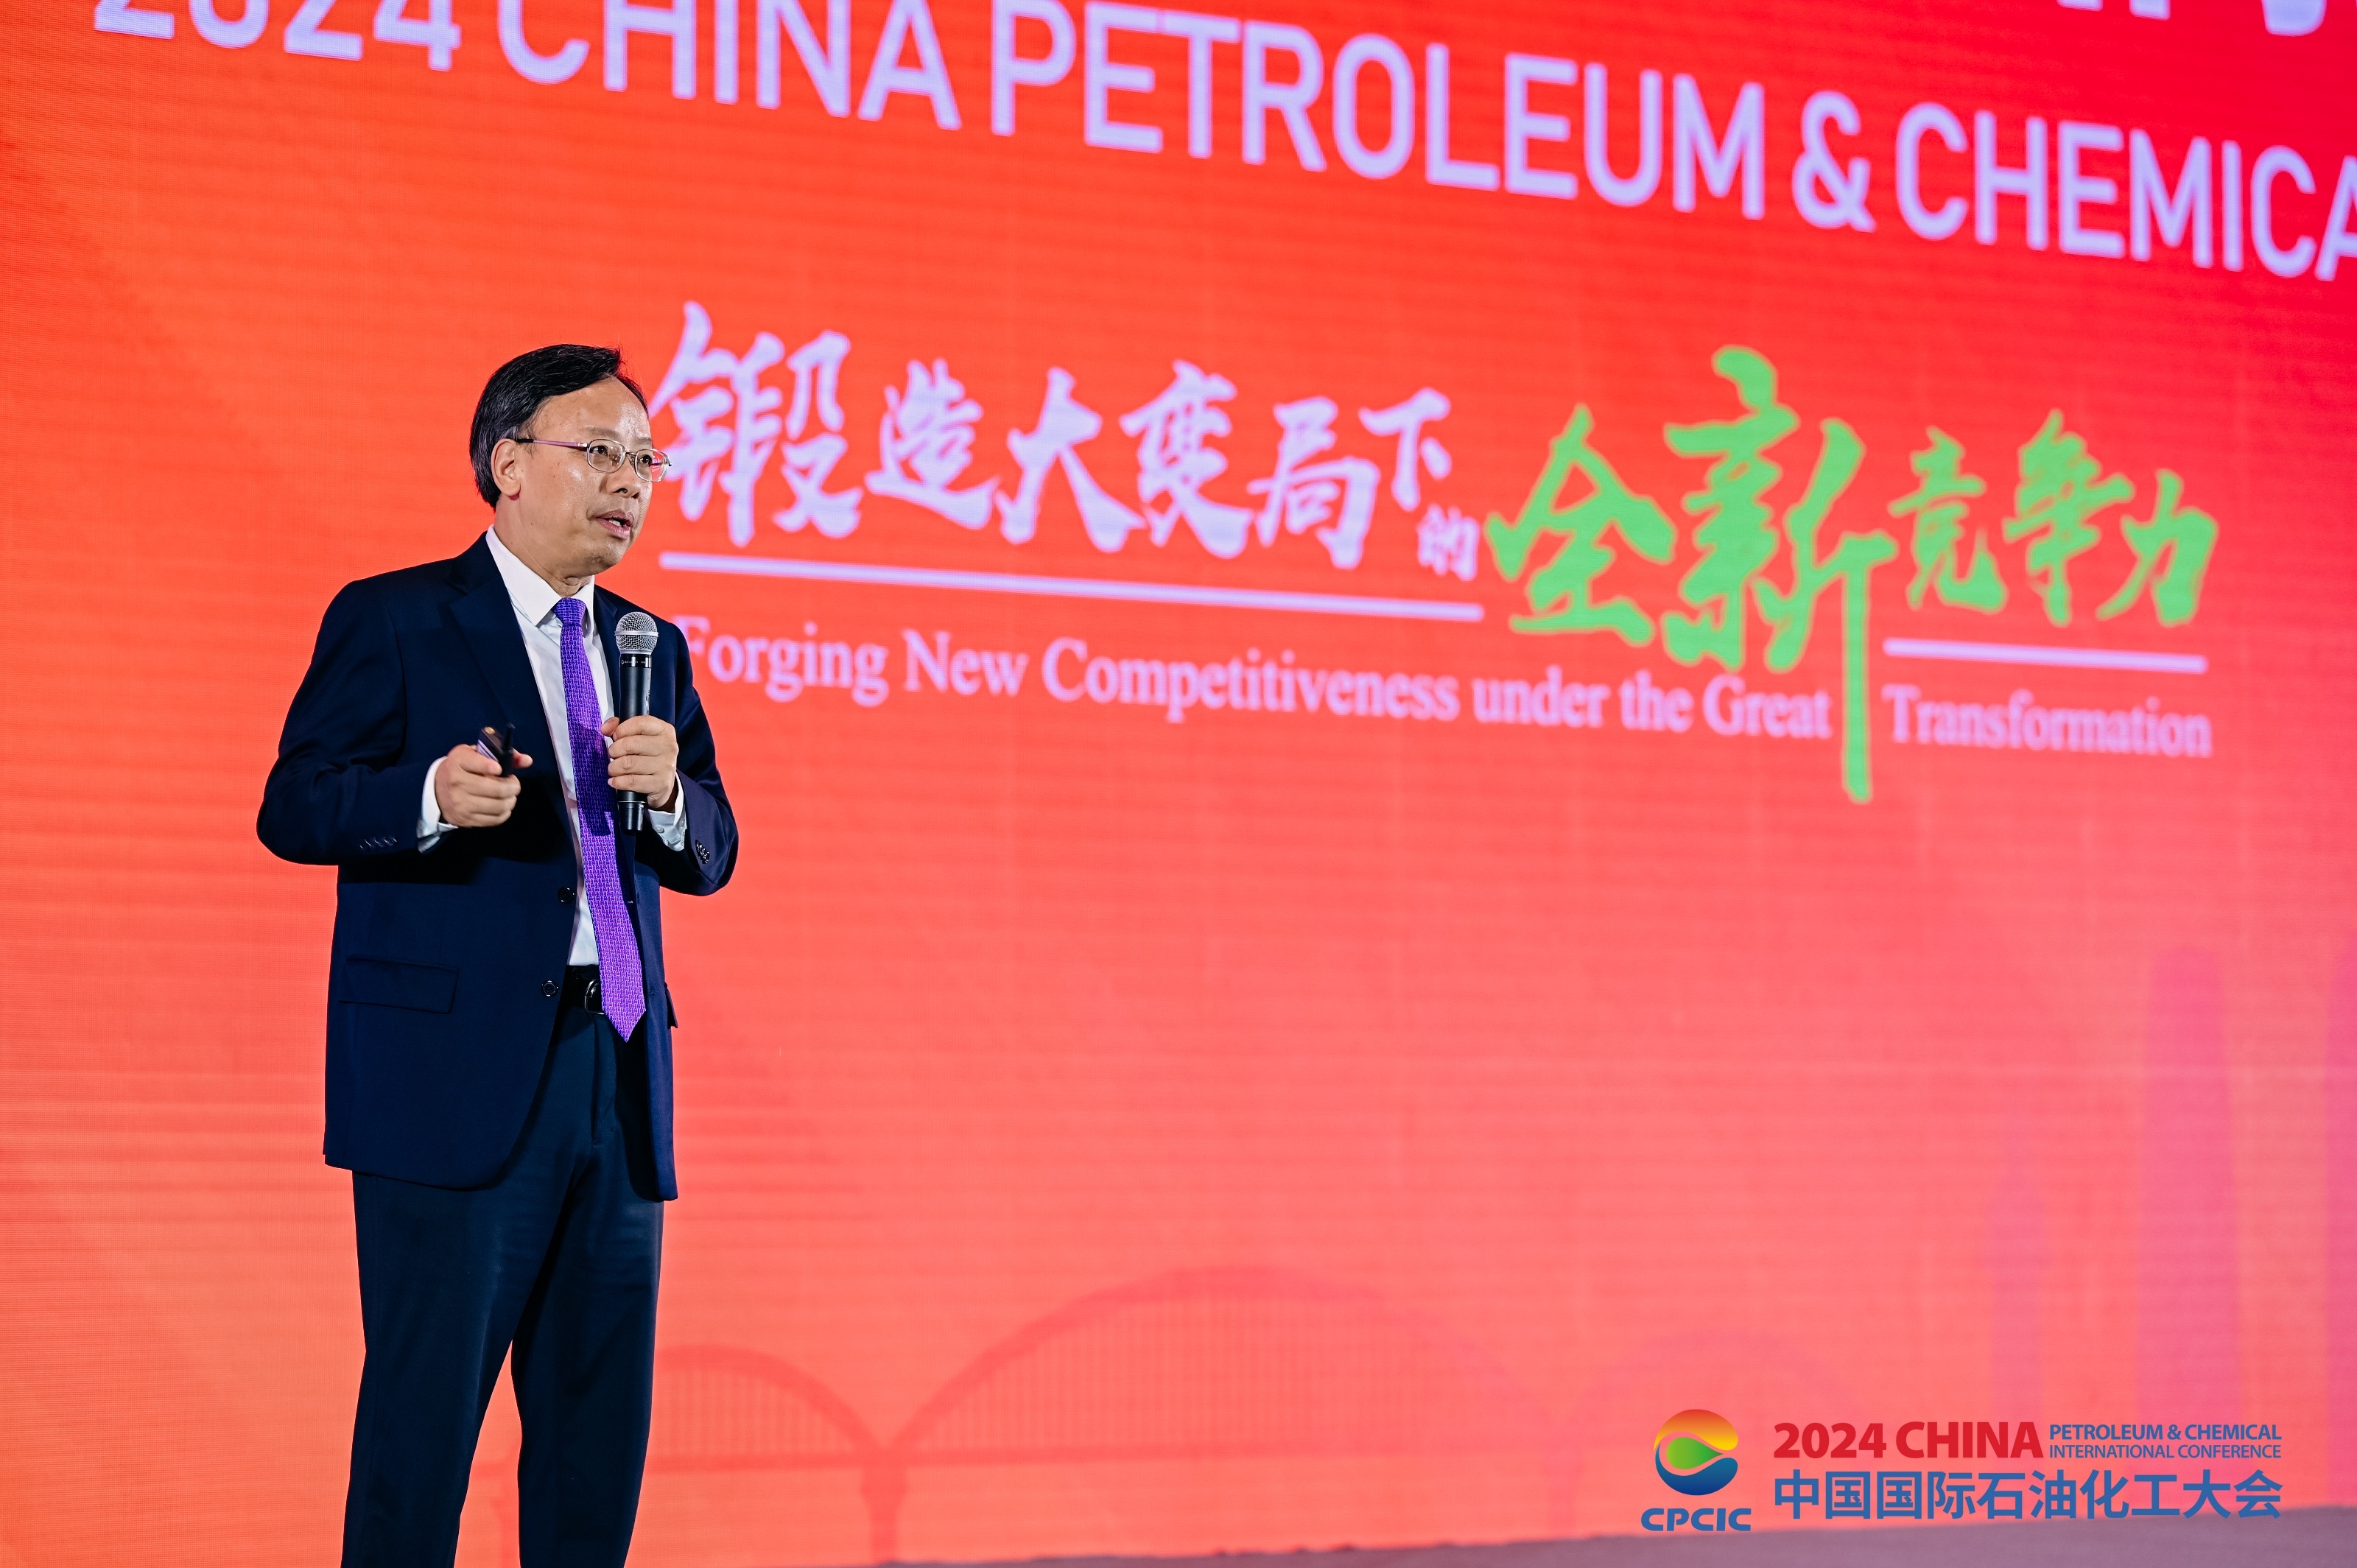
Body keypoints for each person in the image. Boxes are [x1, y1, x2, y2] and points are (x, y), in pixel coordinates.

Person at [259, 344, 738, 1567]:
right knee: (422, 1436)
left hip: (616, 1070)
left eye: (647, 461)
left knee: (594, 1438)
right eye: (601, 452)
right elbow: (294, 803)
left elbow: (715, 848)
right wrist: (426, 796)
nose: (628, 482)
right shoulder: (399, 617)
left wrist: (670, 796)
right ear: (508, 462)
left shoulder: (652, 645)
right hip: (452, 1083)